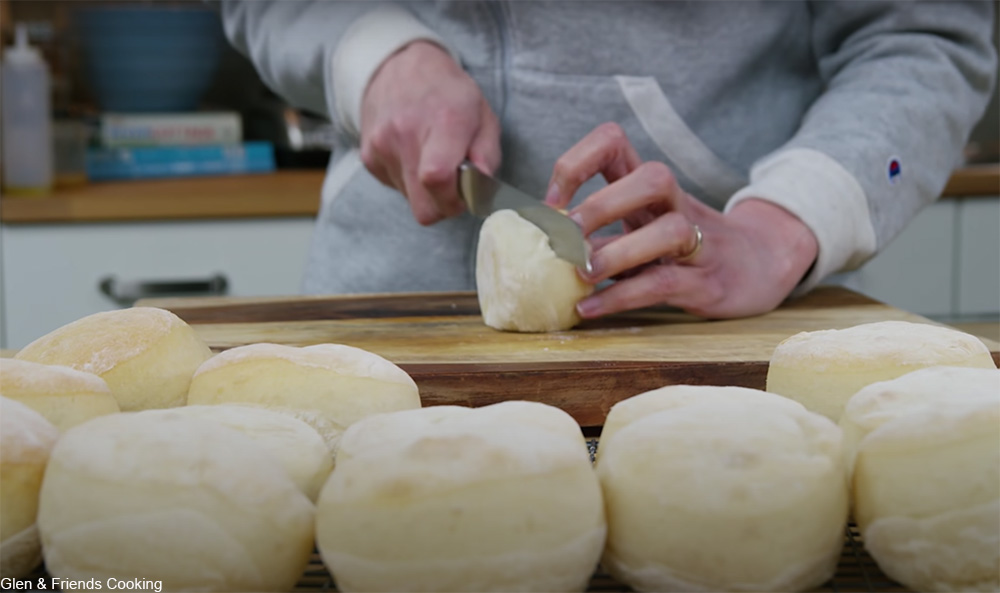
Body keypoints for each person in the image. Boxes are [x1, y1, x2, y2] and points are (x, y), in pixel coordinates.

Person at [219, 1, 996, 319]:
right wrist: (374, 54)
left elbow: (926, 38)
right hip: (382, 308)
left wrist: (788, 224)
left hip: (721, 332)